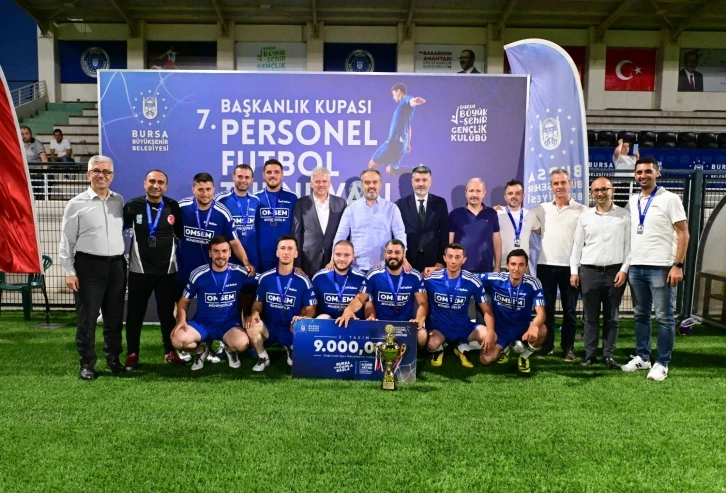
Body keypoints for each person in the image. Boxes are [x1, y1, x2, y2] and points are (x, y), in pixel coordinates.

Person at [59, 155, 126, 380]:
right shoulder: (76, 203)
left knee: (114, 317)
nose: (101, 175)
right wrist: (70, 271)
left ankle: (113, 359)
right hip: (88, 266)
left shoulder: (119, 200)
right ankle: (87, 364)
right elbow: (66, 240)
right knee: (87, 318)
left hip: (117, 265)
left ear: (112, 176)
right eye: (97, 171)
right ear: (89, 174)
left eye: (106, 172)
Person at [622, 157, 689, 381]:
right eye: (639, 172)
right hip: (636, 266)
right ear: (635, 175)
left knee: (664, 317)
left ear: (657, 173)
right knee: (640, 315)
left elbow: (683, 233)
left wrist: (677, 265)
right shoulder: (633, 200)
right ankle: (643, 357)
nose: (643, 175)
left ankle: (662, 362)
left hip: (662, 267)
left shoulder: (670, 198)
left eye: (648, 171)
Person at [122, 169, 184, 369]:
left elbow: (180, 233)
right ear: (144, 183)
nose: (156, 185)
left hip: (167, 272)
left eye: (160, 182)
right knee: (135, 314)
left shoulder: (173, 206)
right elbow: (119, 230)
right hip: (139, 271)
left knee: (167, 315)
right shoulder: (132, 206)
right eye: (152, 181)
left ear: (166, 186)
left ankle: (170, 352)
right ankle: (132, 353)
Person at [569, 177, 630, 370]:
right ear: (591, 193)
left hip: (615, 272)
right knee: (590, 317)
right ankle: (590, 355)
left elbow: (629, 247)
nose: (600, 193)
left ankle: (608, 356)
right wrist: (574, 271)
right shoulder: (585, 217)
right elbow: (577, 246)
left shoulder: (624, 215)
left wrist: (624, 270)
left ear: (612, 190)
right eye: (596, 190)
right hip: (589, 272)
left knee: (612, 317)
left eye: (604, 189)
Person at [171, 236, 256, 371]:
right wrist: (181, 320)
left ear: (230, 253)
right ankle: (201, 350)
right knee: (177, 340)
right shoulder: (198, 274)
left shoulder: (240, 273)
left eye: (224, 251)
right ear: (210, 253)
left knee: (242, 344)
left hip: (228, 325)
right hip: (202, 323)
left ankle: (229, 350)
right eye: (216, 251)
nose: (220, 255)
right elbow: (184, 301)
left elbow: (266, 281)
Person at [529, 168, 586, 360]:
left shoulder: (582, 210)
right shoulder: (541, 209)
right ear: (551, 186)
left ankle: (568, 347)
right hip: (545, 266)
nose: (559, 186)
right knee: (547, 310)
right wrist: (501, 210)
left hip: (571, 267)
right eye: (556, 183)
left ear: (570, 184)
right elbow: (522, 216)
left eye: (563, 182)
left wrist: (575, 268)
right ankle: (548, 346)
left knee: (570, 310)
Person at [336, 239, 428, 349]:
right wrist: (349, 309)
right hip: (380, 325)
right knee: (363, 333)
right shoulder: (373, 275)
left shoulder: (414, 276)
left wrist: (419, 320)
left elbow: (423, 303)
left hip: (405, 326)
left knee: (422, 336)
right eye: (389, 252)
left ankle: (409, 352)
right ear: (384, 254)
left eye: (397, 252)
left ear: (404, 255)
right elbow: (360, 299)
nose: (393, 256)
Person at [245, 236, 317, 372]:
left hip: (291, 328)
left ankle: (290, 348)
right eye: (282, 248)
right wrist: (255, 312)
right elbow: (258, 303)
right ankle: (263, 357)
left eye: (290, 249)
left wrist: (303, 318)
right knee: (251, 324)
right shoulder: (266, 278)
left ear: (296, 253)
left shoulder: (303, 281)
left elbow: (311, 309)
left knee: (303, 348)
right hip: (270, 327)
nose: (286, 252)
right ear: (277, 253)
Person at [177, 172, 254, 296]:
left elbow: (234, 242)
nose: (205, 194)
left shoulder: (223, 213)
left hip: (210, 274)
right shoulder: (181, 208)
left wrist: (246, 262)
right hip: (183, 271)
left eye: (208, 189)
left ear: (214, 189)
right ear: (193, 189)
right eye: (200, 189)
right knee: (181, 304)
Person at [425, 243, 496, 368]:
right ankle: (438, 349)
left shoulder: (472, 280)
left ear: (464, 259)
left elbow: (487, 311)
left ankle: (463, 347)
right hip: (438, 328)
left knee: (492, 337)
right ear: (444, 258)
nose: (453, 261)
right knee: (431, 344)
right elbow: (415, 283)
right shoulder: (431, 278)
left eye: (457, 257)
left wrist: (490, 332)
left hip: (463, 328)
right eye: (450, 256)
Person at [479, 250, 547, 374]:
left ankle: (524, 356)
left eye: (521, 265)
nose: (516, 269)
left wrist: (534, 326)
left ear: (526, 267)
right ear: (507, 265)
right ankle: (505, 348)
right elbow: (470, 279)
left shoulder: (533, 283)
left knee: (542, 330)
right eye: (513, 264)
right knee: (485, 359)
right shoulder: (495, 279)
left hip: (523, 328)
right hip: (500, 330)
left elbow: (541, 313)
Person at [333, 169, 408, 272]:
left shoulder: (391, 208)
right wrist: (333, 258)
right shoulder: (351, 209)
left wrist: (402, 256)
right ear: (362, 185)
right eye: (367, 182)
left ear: (380, 185)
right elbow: (341, 236)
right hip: (356, 269)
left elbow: (400, 235)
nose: (371, 186)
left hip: (383, 269)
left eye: (375, 182)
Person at [395, 165, 449, 276]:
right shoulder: (401, 204)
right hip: (408, 261)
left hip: (433, 261)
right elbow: (397, 234)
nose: (421, 184)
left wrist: (441, 261)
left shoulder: (440, 203)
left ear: (430, 182)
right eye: (417, 180)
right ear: (412, 182)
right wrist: (402, 259)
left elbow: (444, 233)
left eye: (424, 180)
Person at [292, 167, 347, 276]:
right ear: (311, 184)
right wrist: (297, 264)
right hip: (308, 261)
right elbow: (296, 234)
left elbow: (345, 233)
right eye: (317, 181)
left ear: (329, 183)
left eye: (324, 181)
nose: (321, 184)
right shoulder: (301, 203)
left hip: (333, 261)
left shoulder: (341, 203)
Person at [368, 83, 426, 175]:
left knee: (371, 165)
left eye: (393, 94)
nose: (393, 97)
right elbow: (409, 127)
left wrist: (415, 101)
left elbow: (411, 100)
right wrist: (408, 144)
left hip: (394, 142)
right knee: (390, 170)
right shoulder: (405, 110)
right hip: (402, 144)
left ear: (399, 91)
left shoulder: (405, 100)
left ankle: (372, 184)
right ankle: (418, 170)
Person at [449, 178, 501, 274]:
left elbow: (497, 242)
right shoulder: (455, 214)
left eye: (478, 191)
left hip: (486, 270)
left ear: (484, 193)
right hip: (460, 271)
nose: (474, 195)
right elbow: (449, 243)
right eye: (471, 191)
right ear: (466, 193)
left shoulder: (492, 213)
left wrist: (497, 266)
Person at [255, 159, 298, 272]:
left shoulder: (292, 197)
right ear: (263, 175)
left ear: (282, 175)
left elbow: (297, 229)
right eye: (269, 172)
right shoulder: (255, 198)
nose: (272, 175)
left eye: (276, 172)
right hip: (262, 256)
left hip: (286, 256)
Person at [216, 164, 260, 272]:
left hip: (251, 255)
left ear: (252, 180)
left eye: (247, 177)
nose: (243, 180)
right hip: (228, 256)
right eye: (240, 176)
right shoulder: (221, 200)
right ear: (233, 177)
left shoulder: (256, 200)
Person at [311, 240, 366, 320]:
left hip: (354, 323)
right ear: (333, 255)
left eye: (346, 255)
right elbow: (311, 306)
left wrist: (370, 317)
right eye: (338, 254)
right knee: (323, 317)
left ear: (353, 256)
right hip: (327, 324)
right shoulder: (319, 277)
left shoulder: (362, 278)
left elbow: (369, 305)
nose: (342, 259)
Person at [496, 179, 535, 270]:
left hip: (522, 267)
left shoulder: (530, 215)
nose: (514, 196)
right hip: (501, 266)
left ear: (523, 196)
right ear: (505, 197)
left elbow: (542, 230)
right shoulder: (496, 214)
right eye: (510, 193)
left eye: (518, 193)